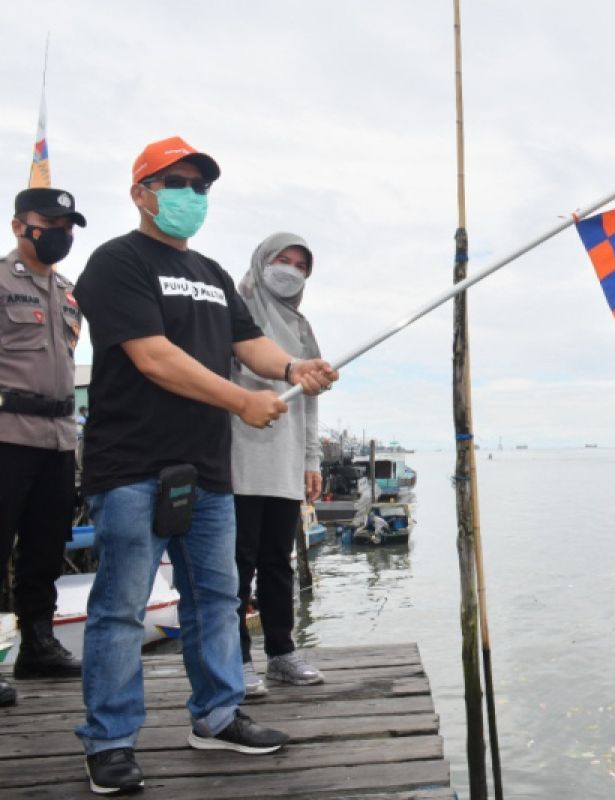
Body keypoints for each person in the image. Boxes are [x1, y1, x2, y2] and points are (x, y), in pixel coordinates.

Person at [72, 136, 338, 795]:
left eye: (201, 186)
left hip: (209, 471)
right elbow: (152, 356)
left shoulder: (216, 275)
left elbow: (249, 343)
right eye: (178, 182)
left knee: (218, 599)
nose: (192, 195)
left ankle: (217, 715)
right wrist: (241, 401)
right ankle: (109, 740)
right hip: (132, 464)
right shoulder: (115, 262)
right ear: (142, 192)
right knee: (120, 605)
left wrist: (292, 368)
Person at [0, 187, 89, 709]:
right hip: (7, 433)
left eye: (69, 225)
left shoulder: (70, 291)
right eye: (51, 222)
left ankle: (37, 645)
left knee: (45, 546)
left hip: (58, 438)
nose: (63, 233)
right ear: (19, 226)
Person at [230, 233, 326, 696]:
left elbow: (309, 404)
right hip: (239, 456)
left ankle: (282, 652)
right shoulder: (235, 307)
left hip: (286, 462)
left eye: (300, 265)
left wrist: (311, 459)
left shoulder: (303, 327)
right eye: (281, 260)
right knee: (236, 564)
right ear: (262, 260)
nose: (289, 270)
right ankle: (235, 659)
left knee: (278, 562)